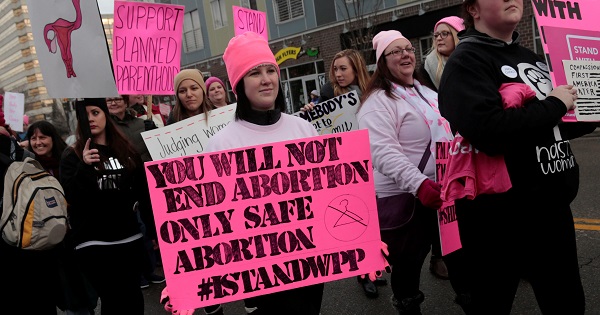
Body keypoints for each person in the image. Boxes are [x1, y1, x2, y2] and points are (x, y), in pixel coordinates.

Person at [437, 0, 597, 313]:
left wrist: (589, 112)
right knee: (493, 303)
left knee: (567, 302)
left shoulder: (532, 59)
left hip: (551, 209)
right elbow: (488, 131)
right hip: (498, 218)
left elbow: (550, 126)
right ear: (474, 9)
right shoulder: (466, 60)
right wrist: (554, 105)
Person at [208, 31, 324, 315]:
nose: (266, 79)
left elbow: (326, 188)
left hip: (310, 257)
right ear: (238, 85)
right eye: (254, 72)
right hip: (260, 268)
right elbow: (214, 217)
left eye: (271, 70)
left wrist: (364, 239)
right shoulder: (222, 142)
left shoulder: (303, 128)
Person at [357, 30, 454, 315]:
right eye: (396, 51)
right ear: (383, 62)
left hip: (443, 192)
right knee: (407, 268)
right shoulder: (376, 102)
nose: (406, 55)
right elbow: (382, 152)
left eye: (409, 49)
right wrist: (420, 185)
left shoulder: (426, 92)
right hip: (404, 199)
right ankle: (408, 307)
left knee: (457, 258)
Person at [59, 98, 156, 314]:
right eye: (85, 115)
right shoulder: (72, 155)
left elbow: (143, 191)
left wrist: (153, 230)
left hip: (129, 239)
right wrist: (85, 168)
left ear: (105, 115)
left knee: (133, 299)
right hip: (94, 243)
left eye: (95, 112)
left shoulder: (125, 150)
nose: (91, 119)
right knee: (113, 300)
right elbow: (73, 197)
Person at [301, 48, 385, 298]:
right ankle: (364, 273)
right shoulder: (327, 94)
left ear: (356, 68)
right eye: (335, 69)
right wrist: (309, 112)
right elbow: (317, 127)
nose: (337, 74)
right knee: (359, 221)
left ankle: (376, 265)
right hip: (345, 167)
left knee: (377, 221)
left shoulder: (373, 92)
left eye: (343, 69)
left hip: (374, 162)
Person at [106, 96, 164, 289]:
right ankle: (139, 273)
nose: (113, 103)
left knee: (150, 227)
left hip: (147, 181)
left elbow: (157, 148)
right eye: (109, 101)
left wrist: (153, 132)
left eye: (117, 100)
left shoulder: (141, 122)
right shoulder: (106, 127)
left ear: (125, 102)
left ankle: (149, 270)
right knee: (136, 229)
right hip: (125, 184)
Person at [420, 16, 465, 91]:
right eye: (436, 35)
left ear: (457, 35)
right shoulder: (426, 67)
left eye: (444, 33)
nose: (438, 38)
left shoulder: (473, 58)